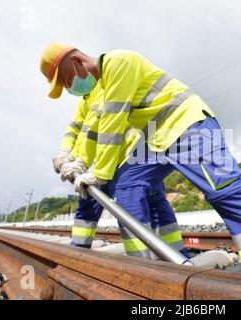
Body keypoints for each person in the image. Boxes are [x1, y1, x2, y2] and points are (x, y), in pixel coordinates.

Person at [40, 43, 241, 279]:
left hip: (190, 127)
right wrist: (77, 160)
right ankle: (145, 271)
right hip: (155, 140)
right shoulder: (102, 87)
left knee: (228, 190)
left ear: (75, 62)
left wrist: (98, 173)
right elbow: (95, 130)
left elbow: (113, 124)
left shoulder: (118, 62)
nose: (68, 88)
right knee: (127, 188)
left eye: (65, 81)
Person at [45, 45, 187, 258]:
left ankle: (145, 264)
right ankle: (173, 256)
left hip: (124, 157)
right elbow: (75, 129)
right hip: (116, 158)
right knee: (151, 202)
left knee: (133, 201)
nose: (69, 88)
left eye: (67, 82)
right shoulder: (86, 100)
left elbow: (94, 132)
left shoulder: (105, 86)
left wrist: (79, 161)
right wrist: (65, 153)